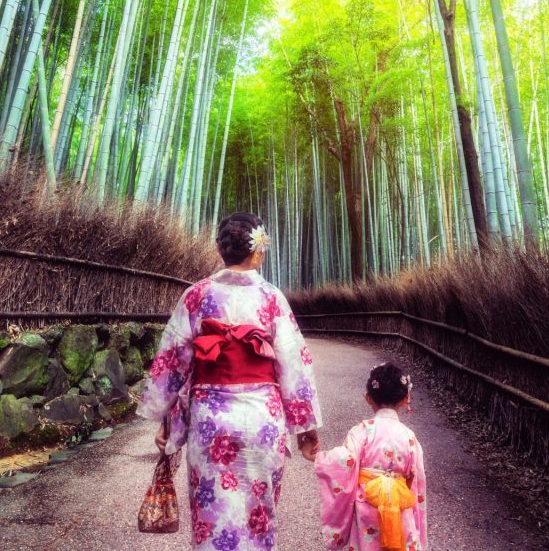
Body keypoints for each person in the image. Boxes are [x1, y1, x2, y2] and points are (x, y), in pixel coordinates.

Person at [138, 211, 322, 550]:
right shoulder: (271, 298)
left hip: (211, 422)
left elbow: (173, 361)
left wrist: (166, 420)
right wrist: (305, 427)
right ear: (257, 251)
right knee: (258, 513)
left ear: (219, 249)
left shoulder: (196, 296)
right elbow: (294, 365)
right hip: (260, 421)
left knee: (212, 515)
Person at [306, 363, 427, 551]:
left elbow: (345, 460)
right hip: (399, 505)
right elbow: (416, 481)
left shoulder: (363, 430)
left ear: (368, 398)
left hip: (369, 504)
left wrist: (317, 458)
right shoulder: (410, 437)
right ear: (406, 399)